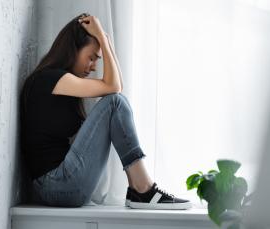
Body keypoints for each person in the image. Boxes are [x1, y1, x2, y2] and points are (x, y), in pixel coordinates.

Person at [20, 13, 192, 210]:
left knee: (116, 101)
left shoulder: (62, 85)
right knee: (114, 103)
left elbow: (118, 86)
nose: (93, 67)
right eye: (91, 58)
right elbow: (114, 90)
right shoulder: (49, 79)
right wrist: (101, 36)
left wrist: (107, 44)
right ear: (73, 49)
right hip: (56, 185)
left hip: (60, 186)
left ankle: (142, 190)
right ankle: (143, 189)